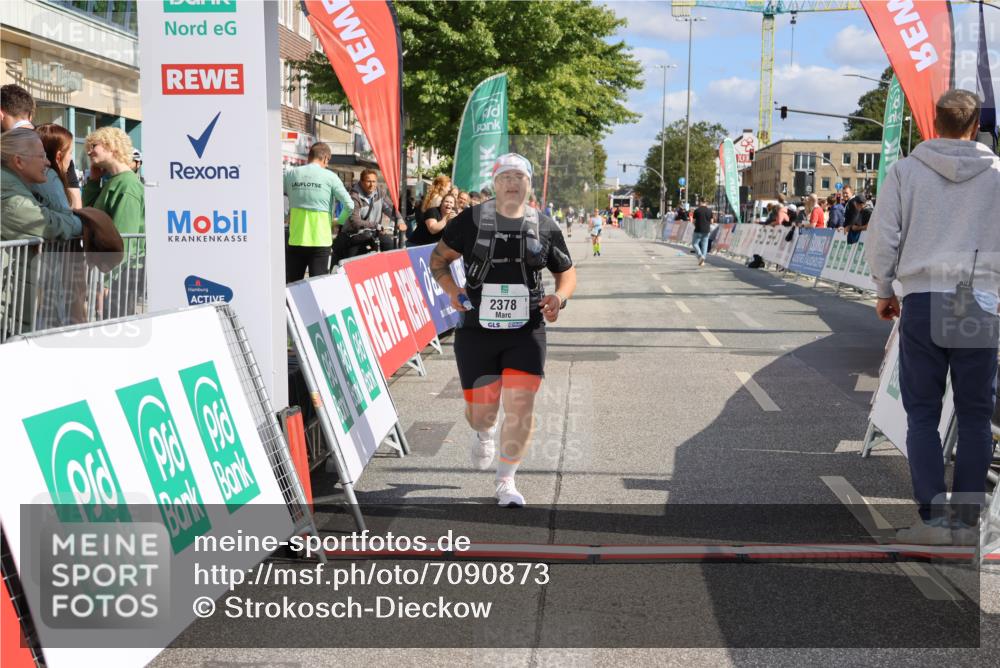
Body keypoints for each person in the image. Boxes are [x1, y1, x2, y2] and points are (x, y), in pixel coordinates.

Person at [866, 89, 1000, 545]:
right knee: (976, 415)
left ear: (934, 123)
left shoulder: (907, 171)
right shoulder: (997, 174)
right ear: (973, 125)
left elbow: (882, 235)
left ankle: (932, 520)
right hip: (976, 296)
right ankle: (965, 524)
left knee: (922, 414)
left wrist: (885, 289)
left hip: (924, 294)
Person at [428, 153, 577, 507]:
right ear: (494, 183)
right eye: (505, 176)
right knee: (482, 411)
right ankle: (484, 433)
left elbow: (566, 273)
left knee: (521, 405)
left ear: (528, 183)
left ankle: (506, 482)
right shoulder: (469, 221)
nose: (512, 182)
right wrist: (452, 291)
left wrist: (559, 298)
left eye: (519, 177)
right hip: (477, 330)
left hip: (527, 329)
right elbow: (439, 260)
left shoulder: (544, 225)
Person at [2, 128, 85, 332]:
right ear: (19, 161)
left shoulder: (13, 184)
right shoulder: (7, 193)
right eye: (41, 157)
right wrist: (84, 223)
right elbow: (46, 224)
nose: (48, 163)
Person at [2, 84, 82, 209]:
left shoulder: (5, 149)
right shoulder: (53, 140)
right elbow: (76, 207)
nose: (46, 162)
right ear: (30, 115)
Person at [283, 142, 352, 282]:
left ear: (309, 156)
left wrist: (286, 216)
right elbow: (349, 205)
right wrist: (339, 221)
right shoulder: (330, 177)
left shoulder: (290, 174)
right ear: (326, 158)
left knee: (292, 286)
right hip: (321, 240)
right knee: (318, 287)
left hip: (296, 239)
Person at [333, 168, 404, 263]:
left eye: (374, 181)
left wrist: (399, 221)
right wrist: (375, 225)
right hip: (355, 234)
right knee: (353, 261)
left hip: (374, 232)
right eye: (368, 181)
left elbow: (390, 209)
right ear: (361, 182)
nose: (372, 185)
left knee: (391, 248)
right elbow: (355, 222)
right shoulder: (354, 197)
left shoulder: (380, 192)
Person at [691, 199, 713, 267]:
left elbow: (693, 221)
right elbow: (712, 221)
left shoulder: (697, 210)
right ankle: (703, 259)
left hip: (698, 229)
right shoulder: (709, 211)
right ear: (706, 203)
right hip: (706, 230)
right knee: (705, 245)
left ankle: (700, 255)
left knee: (694, 243)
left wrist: (696, 225)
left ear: (700, 202)